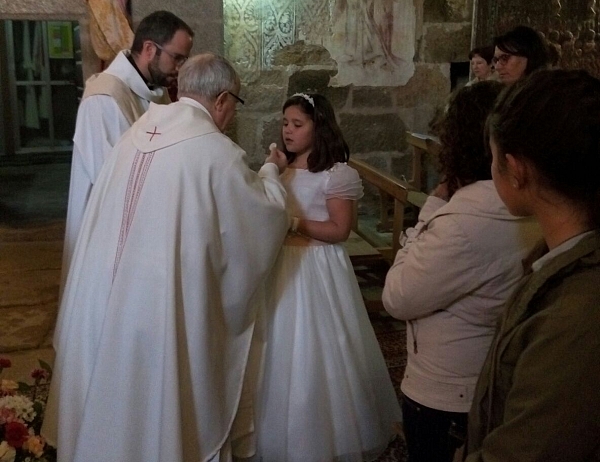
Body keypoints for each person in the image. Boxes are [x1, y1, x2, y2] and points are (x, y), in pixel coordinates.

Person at [42, 54, 290, 462]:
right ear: (223, 99)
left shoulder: (135, 132)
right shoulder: (215, 152)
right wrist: (269, 173)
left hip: (104, 296)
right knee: (156, 406)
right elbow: (260, 218)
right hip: (159, 310)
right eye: (234, 105)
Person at [382, 81, 542, 462]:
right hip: (491, 378)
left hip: (447, 388)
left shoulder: (463, 221)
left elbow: (397, 296)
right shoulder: (531, 200)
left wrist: (429, 213)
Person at [255, 92, 401, 462]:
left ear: (318, 128)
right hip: (282, 267)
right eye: (285, 123)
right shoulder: (281, 168)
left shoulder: (336, 174)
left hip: (318, 269)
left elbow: (340, 229)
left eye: (297, 124)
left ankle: (326, 437)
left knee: (318, 350)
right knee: (276, 350)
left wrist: (292, 222)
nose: (288, 131)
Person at [465, 69, 600, 462]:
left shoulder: (579, 310)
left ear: (517, 170)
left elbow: (530, 448)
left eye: (493, 159)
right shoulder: (558, 258)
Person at [61, 10, 194, 294]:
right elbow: (110, 181)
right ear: (149, 49)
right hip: (107, 235)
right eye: (177, 58)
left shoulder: (149, 92)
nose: (179, 68)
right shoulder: (105, 98)